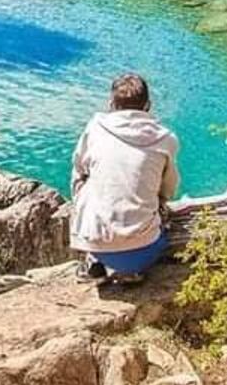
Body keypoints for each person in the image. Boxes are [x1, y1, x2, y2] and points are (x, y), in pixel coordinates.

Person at [70, 74, 180, 286]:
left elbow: (79, 166)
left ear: (111, 104)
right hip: (144, 249)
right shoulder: (166, 139)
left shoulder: (95, 127)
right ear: (148, 105)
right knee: (160, 198)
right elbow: (169, 189)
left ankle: (92, 262)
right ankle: (132, 271)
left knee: (81, 176)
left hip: (95, 244)